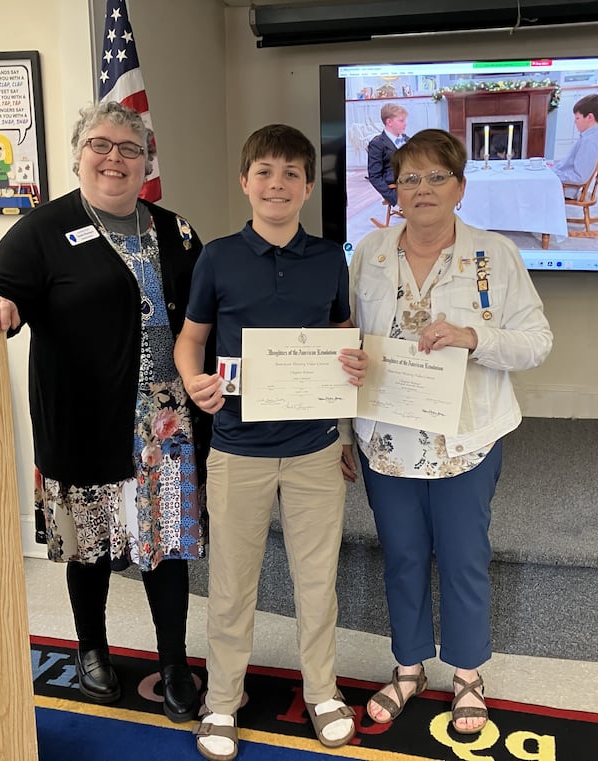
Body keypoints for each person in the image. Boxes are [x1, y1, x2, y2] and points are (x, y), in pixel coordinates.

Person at [0, 100, 212, 723]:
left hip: (169, 424)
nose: (115, 159)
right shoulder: (43, 230)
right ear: (78, 155)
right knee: (89, 545)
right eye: (101, 145)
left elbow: (210, 309)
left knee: (166, 547)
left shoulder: (175, 229)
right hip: (84, 415)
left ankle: (175, 661)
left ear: (146, 161)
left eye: (130, 149)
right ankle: (91, 647)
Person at [344, 128, 552, 734]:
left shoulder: (495, 254)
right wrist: (339, 415)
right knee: (403, 558)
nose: (422, 189)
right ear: (394, 190)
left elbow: (538, 341)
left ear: (460, 186)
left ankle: (466, 674)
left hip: (465, 440)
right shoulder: (370, 252)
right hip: (386, 440)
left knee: (463, 559)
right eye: (410, 178)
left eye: (437, 177)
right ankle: (408, 666)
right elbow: (347, 339)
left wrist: (473, 337)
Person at [174, 124, 367, 761]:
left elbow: (342, 334)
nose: (277, 183)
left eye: (290, 173)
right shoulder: (218, 256)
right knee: (232, 583)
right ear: (245, 182)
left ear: (308, 186)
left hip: (313, 447)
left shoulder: (329, 256)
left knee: (317, 581)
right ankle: (222, 700)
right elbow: (192, 338)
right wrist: (194, 381)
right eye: (265, 172)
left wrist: (352, 371)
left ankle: (323, 691)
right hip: (236, 447)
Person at [552, 93, 598, 193]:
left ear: (590, 117)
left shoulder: (589, 142)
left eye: (577, 118)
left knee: (529, 185)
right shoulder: (590, 136)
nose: (575, 122)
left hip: (567, 187)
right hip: (563, 179)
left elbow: (579, 177)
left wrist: (553, 174)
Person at [367, 103, 409, 208]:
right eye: (401, 121)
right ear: (389, 122)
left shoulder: (407, 140)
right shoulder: (377, 144)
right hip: (398, 186)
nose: (405, 124)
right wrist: (393, 197)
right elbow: (374, 176)